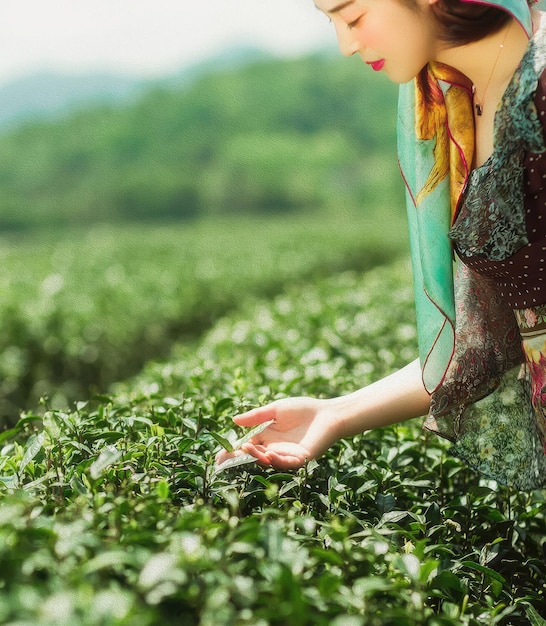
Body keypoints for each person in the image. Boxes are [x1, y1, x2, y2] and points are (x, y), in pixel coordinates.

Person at [216, 0, 546, 491]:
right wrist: (334, 414)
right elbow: (481, 338)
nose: (347, 44)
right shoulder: (454, 102)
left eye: (352, 16)